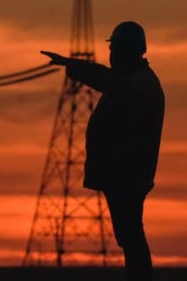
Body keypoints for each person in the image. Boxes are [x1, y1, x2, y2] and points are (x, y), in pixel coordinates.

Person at [41, 21, 165, 281]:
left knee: (130, 236)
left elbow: (126, 127)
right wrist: (70, 64)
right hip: (123, 175)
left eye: (116, 49)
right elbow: (103, 76)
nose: (112, 54)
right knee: (129, 235)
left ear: (130, 51)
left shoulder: (137, 86)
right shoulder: (131, 79)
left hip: (127, 176)